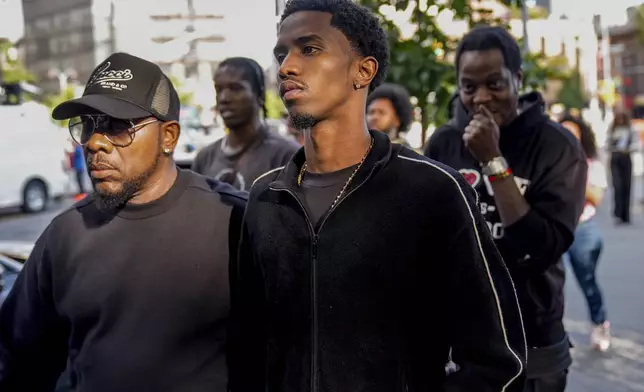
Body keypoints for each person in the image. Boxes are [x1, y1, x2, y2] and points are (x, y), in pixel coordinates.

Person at [231, 1, 527, 391]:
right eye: (281, 54)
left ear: (363, 70)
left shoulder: (431, 191)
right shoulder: (266, 197)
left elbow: (498, 363)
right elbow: (248, 347)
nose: (286, 66)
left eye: (310, 49)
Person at [0, 53, 247, 391]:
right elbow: (17, 357)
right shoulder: (65, 235)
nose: (95, 142)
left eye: (118, 125)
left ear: (169, 137)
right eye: (88, 124)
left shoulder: (236, 221)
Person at [425, 26, 587, 392]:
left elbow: (541, 247)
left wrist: (493, 161)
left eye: (495, 84)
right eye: (469, 87)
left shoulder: (556, 147)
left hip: (534, 347)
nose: (481, 98)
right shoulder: (444, 143)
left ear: (518, 79)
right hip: (464, 348)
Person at [192, 57, 299, 190]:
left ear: (259, 95)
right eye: (219, 90)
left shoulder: (286, 155)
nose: (224, 98)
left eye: (236, 89)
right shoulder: (205, 158)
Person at [559, 115, 611, 352]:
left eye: (572, 134)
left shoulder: (592, 165)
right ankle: (555, 334)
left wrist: (573, 172)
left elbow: (596, 197)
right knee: (552, 285)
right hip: (557, 228)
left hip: (582, 231)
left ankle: (600, 323)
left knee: (587, 281)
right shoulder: (550, 161)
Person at [607, 109, 638, 225]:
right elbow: (607, 144)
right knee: (617, 186)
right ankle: (618, 213)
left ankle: (626, 215)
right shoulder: (612, 130)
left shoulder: (630, 129)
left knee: (627, 186)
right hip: (615, 158)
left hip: (626, 157)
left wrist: (629, 149)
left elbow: (636, 143)